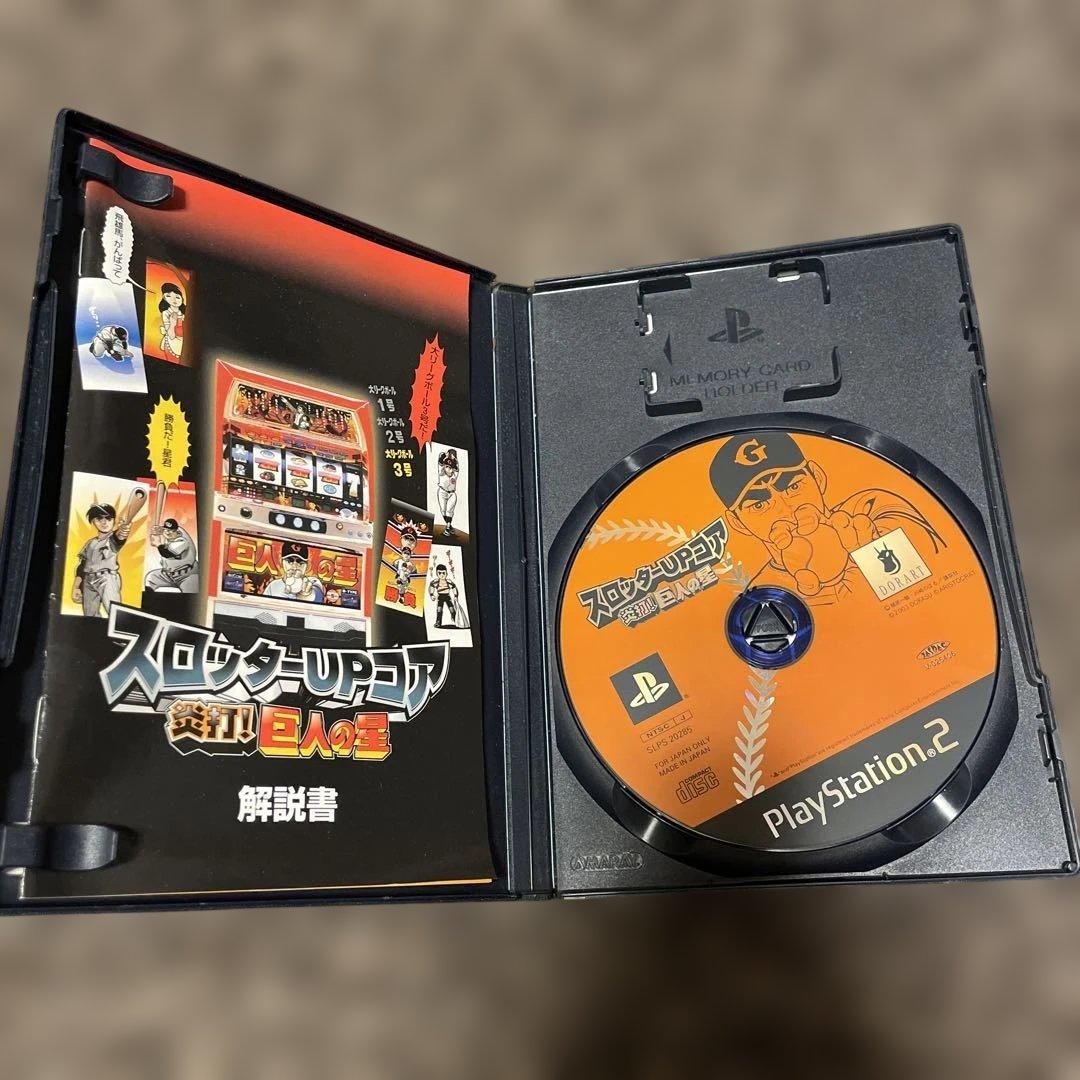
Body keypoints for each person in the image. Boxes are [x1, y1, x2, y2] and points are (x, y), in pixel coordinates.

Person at [709, 432, 944, 604]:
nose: (786, 510)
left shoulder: (872, 508)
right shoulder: (761, 593)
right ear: (738, 522)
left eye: (793, 487)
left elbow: (932, 576)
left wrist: (860, 555)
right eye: (760, 505)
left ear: (817, 477)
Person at [72, 502, 131, 616]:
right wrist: (76, 587)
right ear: (93, 521)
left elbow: (119, 538)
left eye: (108, 518)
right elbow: (82, 566)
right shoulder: (90, 543)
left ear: (114, 520)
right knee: (89, 616)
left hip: (107, 578)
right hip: (88, 579)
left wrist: (123, 529)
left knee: (115, 614)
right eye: (99, 519)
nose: (104, 522)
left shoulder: (112, 538)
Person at [145, 517, 199, 593]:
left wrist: (158, 544)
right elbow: (169, 530)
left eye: (172, 531)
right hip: (169, 575)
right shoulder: (172, 535)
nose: (168, 533)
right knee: (151, 578)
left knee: (190, 594)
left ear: (178, 533)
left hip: (187, 576)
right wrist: (160, 529)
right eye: (166, 530)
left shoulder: (182, 541)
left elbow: (167, 553)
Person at [158, 282, 186, 360]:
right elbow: (171, 336)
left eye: (177, 297)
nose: (174, 300)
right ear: (164, 298)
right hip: (172, 342)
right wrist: (173, 322)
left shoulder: (185, 313)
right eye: (168, 296)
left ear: (182, 299)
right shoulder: (166, 313)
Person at [436, 448, 460, 536]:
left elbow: (456, 466)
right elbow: (440, 461)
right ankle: (449, 526)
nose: (448, 468)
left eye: (450, 467)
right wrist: (445, 455)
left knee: (449, 511)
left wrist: (453, 458)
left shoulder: (455, 474)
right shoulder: (441, 472)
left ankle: (448, 527)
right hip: (442, 492)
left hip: (452, 494)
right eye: (446, 466)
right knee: (443, 510)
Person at [428, 563, 460, 628]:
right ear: (437, 574)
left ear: (446, 573)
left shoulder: (448, 582)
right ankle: (438, 621)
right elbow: (431, 587)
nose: (442, 575)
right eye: (439, 573)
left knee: (452, 609)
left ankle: (455, 620)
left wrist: (456, 596)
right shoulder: (435, 582)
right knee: (439, 609)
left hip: (447, 596)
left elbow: (454, 587)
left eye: (443, 573)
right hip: (440, 597)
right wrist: (431, 595)